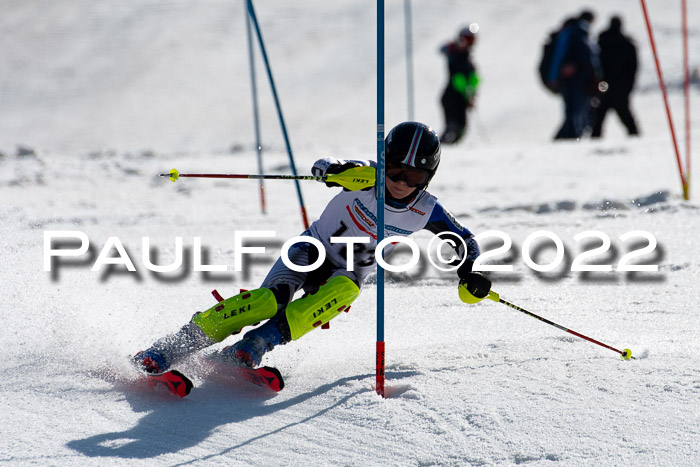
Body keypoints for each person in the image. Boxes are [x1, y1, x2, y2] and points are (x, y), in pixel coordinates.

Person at [133, 122, 492, 375]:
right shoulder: (366, 177)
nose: (400, 182)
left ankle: (255, 345)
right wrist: (332, 170)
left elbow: (464, 240)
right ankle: (171, 347)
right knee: (266, 301)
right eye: (396, 169)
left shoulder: (426, 209)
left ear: (427, 178)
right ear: (385, 160)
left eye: (413, 177)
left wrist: (470, 271)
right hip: (312, 249)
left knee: (346, 290)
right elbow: (325, 165)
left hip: (346, 272)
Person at [546, 10, 601, 140]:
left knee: (575, 109)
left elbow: (558, 58)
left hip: (576, 79)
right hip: (579, 79)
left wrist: (553, 78)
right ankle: (573, 136)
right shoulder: (580, 35)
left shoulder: (575, 33)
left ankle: (572, 136)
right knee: (578, 109)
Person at [591, 16, 639, 137]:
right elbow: (633, 69)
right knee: (625, 116)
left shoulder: (601, 42)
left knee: (599, 116)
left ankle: (595, 137)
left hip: (603, 85)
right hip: (620, 87)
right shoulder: (627, 44)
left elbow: (594, 64)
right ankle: (634, 136)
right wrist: (628, 87)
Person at [439, 24, 481, 145]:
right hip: (451, 98)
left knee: (461, 127)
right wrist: (467, 94)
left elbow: (474, 79)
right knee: (453, 127)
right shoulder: (454, 54)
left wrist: (472, 95)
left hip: (459, 99)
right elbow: (458, 79)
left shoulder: (467, 57)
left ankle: (447, 146)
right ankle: (440, 146)